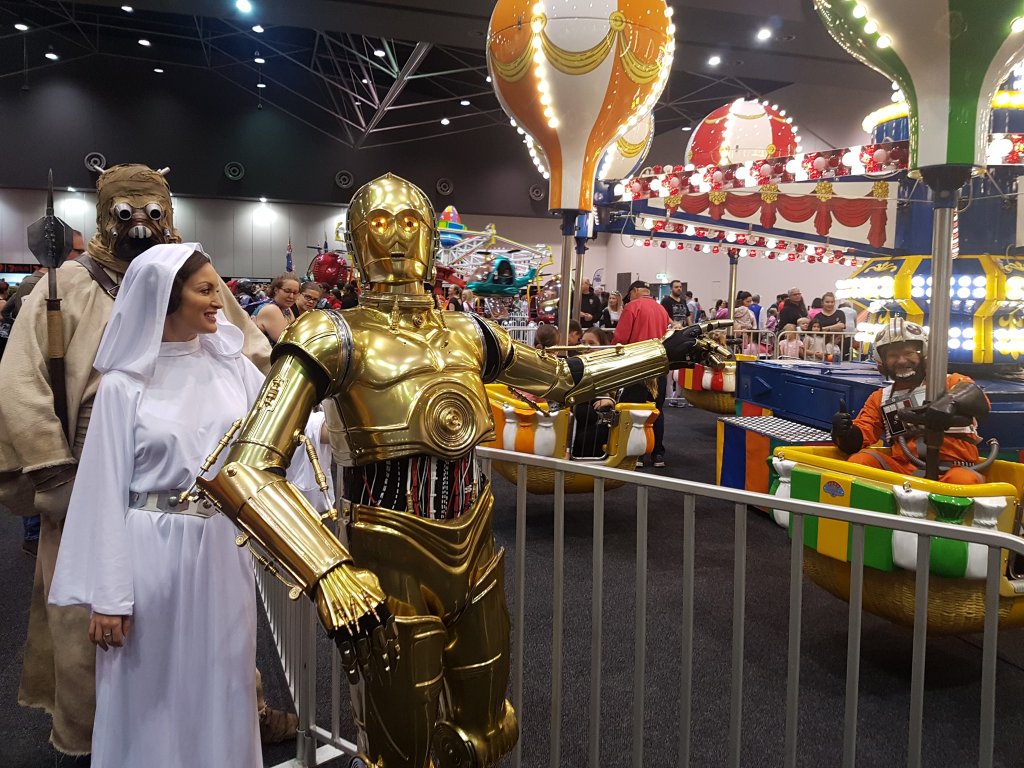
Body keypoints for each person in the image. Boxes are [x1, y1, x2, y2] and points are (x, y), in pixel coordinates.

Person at [190, 173, 725, 768]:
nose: (397, 236)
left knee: (487, 733)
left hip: (475, 554)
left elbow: (563, 378)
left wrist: (664, 351)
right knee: (397, 751)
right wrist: (328, 570)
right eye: (380, 223)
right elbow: (247, 467)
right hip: (388, 562)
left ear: (429, 237)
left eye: (410, 222)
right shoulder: (331, 333)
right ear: (357, 240)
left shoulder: (468, 331)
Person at [0, 164, 272, 760]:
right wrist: (52, 468)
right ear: (106, 215)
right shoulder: (68, 286)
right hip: (90, 483)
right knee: (97, 642)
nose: (142, 225)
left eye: (153, 212)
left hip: (211, 520)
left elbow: (253, 359)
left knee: (216, 659)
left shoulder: (193, 279)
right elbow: (20, 383)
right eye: (127, 213)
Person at [47, 244, 265, 767]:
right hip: (151, 554)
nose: (219, 301)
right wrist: (109, 595)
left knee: (224, 676)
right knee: (150, 691)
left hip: (222, 549)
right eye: (205, 290)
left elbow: (282, 431)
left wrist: (338, 426)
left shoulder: (232, 367)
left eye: (217, 288)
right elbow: (102, 490)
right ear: (168, 298)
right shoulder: (124, 385)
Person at [831, 318, 990, 484]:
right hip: (904, 470)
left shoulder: (950, 383)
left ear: (923, 355)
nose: (901, 360)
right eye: (893, 355)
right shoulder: (881, 398)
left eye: (908, 353)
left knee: (963, 480)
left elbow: (979, 400)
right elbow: (861, 435)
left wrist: (950, 401)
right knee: (860, 461)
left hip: (954, 469)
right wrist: (844, 432)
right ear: (882, 362)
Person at [614, 280, 672, 468]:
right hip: (658, 364)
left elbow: (621, 338)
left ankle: (637, 454)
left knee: (635, 409)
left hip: (637, 365)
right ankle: (658, 454)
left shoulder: (632, 307)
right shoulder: (661, 309)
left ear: (634, 291)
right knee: (657, 410)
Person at [252, 272, 301, 345]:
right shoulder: (271, 309)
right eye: (287, 291)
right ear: (276, 290)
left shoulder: (287, 309)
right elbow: (286, 343)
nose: (291, 296)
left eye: (295, 292)